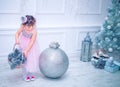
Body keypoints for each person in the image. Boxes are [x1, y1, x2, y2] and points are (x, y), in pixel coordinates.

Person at [15, 15, 40, 82]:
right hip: (22, 45)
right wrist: (17, 40)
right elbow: (17, 33)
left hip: (30, 47)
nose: (29, 28)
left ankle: (30, 73)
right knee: (24, 60)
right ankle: (24, 74)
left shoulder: (34, 31)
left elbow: (32, 42)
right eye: (27, 26)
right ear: (24, 24)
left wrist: (27, 50)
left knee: (31, 60)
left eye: (31, 26)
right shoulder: (22, 27)